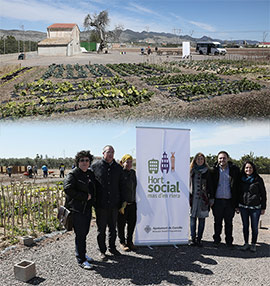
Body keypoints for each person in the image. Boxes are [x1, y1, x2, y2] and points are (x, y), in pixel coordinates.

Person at [91, 145, 126, 260]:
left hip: (114, 204)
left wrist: (122, 202)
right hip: (101, 204)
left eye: (112, 152)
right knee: (101, 230)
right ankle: (102, 250)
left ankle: (112, 247)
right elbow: (91, 184)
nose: (110, 154)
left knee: (112, 228)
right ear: (103, 153)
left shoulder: (118, 168)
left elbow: (122, 185)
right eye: (108, 152)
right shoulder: (95, 166)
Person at [64, 150, 96, 270]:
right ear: (78, 162)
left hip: (86, 209)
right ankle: (81, 259)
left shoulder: (89, 173)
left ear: (89, 162)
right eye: (82, 160)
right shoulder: (73, 174)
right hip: (77, 210)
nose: (84, 162)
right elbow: (68, 189)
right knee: (80, 235)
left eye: (87, 160)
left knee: (85, 233)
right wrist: (84, 197)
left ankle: (83, 254)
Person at [210, 151, 240, 248]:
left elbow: (237, 187)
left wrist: (237, 204)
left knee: (229, 223)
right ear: (217, 159)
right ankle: (217, 240)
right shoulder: (213, 170)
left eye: (224, 158)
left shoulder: (234, 170)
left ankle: (229, 242)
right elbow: (210, 186)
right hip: (217, 201)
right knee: (217, 222)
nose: (222, 160)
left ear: (228, 158)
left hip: (229, 201)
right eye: (220, 158)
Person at [236, 161, 267, 252]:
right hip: (243, 207)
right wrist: (237, 205)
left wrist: (263, 207)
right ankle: (246, 243)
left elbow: (263, 194)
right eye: (246, 168)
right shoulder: (241, 179)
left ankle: (253, 244)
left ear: (253, 169)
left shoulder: (258, 179)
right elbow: (238, 193)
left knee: (254, 227)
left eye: (250, 168)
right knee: (245, 226)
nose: (248, 169)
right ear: (244, 169)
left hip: (255, 208)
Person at [189, 153, 212, 247]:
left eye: (201, 159)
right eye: (198, 159)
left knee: (202, 220)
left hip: (203, 199)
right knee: (192, 219)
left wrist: (211, 199)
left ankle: (199, 239)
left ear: (204, 160)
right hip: (193, 198)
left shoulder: (208, 171)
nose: (200, 160)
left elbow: (211, 185)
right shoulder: (191, 171)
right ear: (195, 160)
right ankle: (193, 238)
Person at [117, 154, 137, 251]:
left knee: (131, 224)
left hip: (132, 203)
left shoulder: (133, 173)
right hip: (122, 205)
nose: (129, 164)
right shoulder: (119, 173)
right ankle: (122, 242)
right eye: (127, 162)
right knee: (121, 224)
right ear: (122, 163)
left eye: (130, 162)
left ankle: (130, 241)